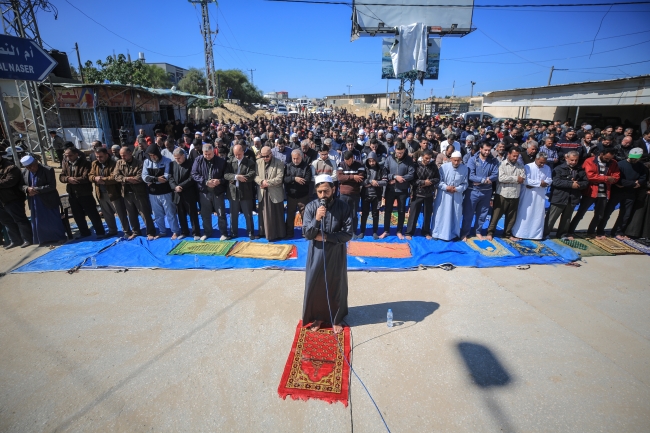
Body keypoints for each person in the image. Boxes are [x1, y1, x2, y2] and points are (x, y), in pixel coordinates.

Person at [302, 174, 353, 334]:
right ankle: (318, 317)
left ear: (333, 189)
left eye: (326, 191)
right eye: (319, 192)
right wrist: (317, 219)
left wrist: (327, 237)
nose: (323, 195)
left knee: (336, 284)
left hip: (336, 252)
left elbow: (348, 234)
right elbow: (307, 233)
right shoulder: (311, 207)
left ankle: (336, 318)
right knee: (316, 285)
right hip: (317, 253)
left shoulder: (343, 207)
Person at [567, 148, 620, 239]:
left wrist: (602, 178)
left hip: (604, 192)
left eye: (610, 159)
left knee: (599, 214)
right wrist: (606, 178)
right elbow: (590, 176)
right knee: (581, 213)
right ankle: (570, 231)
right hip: (591, 191)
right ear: (601, 154)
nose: (608, 160)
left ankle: (591, 231)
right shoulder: (590, 161)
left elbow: (616, 176)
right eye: (606, 158)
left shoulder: (613, 163)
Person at [598, 148, 647, 239]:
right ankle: (600, 230)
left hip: (630, 193)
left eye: (636, 158)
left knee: (625, 214)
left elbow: (643, 178)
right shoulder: (620, 164)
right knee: (608, 212)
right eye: (632, 157)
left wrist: (638, 183)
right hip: (617, 192)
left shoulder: (641, 166)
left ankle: (617, 231)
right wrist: (633, 183)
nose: (633, 160)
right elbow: (619, 180)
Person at [20, 155, 67, 245]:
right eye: (27, 167)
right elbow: (21, 185)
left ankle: (59, 237)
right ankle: (44, 239)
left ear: (36, 163)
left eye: (31, 166)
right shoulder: (25, 172)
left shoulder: (47, 170)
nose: (30, 169)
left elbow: (52, 186)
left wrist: (36, 189)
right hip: (34, 199)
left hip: (48, 198)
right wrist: (27, 189)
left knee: (52, 219)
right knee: (39, 220)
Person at [60, 147, 106, 239]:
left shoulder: (85, 163)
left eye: (70, 155)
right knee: (77, 215)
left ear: (76, 154)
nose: (68, 157)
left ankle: (100, 232)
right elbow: (61, 176)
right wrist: (68, 179)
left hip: (85, 193)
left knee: (92, 214)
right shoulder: (66, 164)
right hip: (72, 193)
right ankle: (84, 232)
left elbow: (86, 177)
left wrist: (74, 180)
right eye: (66, 155)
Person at [545, 150, 588, 239]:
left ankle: (562, 234)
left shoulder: (580, 170)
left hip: (572, 198)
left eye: (576, 160)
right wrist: (571, 184)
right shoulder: (558, 169)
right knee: (551, 218)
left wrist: (578, 185)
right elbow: (556, 182)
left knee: (567, 218)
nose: (574, 162)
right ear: (566, 158)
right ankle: (545, 233)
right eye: (572, 160)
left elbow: (586, 182)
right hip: (559, 197)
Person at [461, 142, 499, 240]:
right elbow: (471, 176)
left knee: (483, 213)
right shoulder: (472, 160)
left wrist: (482, 181)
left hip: (486, 192)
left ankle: (478, 231)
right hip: (473, 191)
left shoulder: (493, 161)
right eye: (485, 150)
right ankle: (465, 232)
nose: (487, 152)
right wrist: (484, 180)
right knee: (468, 213)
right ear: (480, 149)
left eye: (489, 150)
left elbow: (495, 174)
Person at [90, 147, 131, 238]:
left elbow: (115, 177)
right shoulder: (95, 164)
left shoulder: (114, 163)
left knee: (120, 214)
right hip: (100, 192)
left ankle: (127, 231)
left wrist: (103, 180)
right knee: (107, 214)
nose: (99, 159)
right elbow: (90, 175)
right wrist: (95, 178)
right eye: (97, 157)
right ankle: (112, 230)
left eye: (101, 156)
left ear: (106, 155)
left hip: (114, 193)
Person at [192, 143, 229, 240]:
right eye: (205, 154)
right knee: (205, 214)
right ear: (203, 152)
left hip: (218, 192)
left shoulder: (221, 161)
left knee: (221, 213)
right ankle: (207, 232)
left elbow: (226, 176)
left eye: (209, 154)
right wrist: (205, 182)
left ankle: (224, 233)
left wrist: (219, 181)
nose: (207, 156)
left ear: (213, 152)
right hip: (204, 192)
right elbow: (194, 174)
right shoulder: (198, 160)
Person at [487, 148, 525, 241]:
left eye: (517, 156)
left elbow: (523, 178)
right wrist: (516, 179)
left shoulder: (520, 166)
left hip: (515, 194)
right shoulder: (502, 164)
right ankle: (490, 232)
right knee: (496, 215)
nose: (515, 158)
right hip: (502, 194)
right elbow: (501, 178)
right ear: (509, 154)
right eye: (514, 155)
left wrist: (510, 179)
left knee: (511, 216)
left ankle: (507, 233)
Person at [142, 144, 180, 239]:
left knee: (170, 213)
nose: (152, 157)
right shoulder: (146, 162)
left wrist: (151, 180)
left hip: (165, 192)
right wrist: (156, 179)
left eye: (153, 155)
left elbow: (166, 177)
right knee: (157, 214)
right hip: (153, 193)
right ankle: (162, 231)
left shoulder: (167, 161)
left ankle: (175, 231)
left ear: (157, 153)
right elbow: (144, 177)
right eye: (150, 155)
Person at [511, 154, 552, 240]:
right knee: (525, 213)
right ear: (536, 159)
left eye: (544, 163)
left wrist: (535, 184)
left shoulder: (547, 168)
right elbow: (525, 180)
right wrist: (540, 183)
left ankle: (535, 235)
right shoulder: (528, 167)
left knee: (537, 214)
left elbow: (549, 180)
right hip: (528, 194)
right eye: (541, 162)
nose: (542, 165)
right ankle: (520, 233)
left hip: (540, 195)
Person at [380, 142, 414, 239]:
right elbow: (385, 172)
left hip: (402, 189)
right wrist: (394, 177)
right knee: (388, 210)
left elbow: (411, 174)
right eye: (398, 152)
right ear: (395, 150)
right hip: (390, 189)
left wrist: (401, 178)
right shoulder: (389, 159)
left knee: (401, 210)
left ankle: (399, 230)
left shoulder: (408, 160)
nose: (399, 155)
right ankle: (386, 230)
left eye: (401, 153)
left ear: (404, 151)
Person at [431, 152, 468, 241]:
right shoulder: (444, 167)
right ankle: (437, 233)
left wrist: (457, 189)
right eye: (454, 160)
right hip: (444, 195)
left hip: (456, 195)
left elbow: (465, 183)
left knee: (455, 214)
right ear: (451, 159)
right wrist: (446, 187)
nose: (456, 162)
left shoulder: (465, 169)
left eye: (458, 161)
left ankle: (453, 234)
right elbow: (438, 181)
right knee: (441, 213)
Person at [405, 149, 440, 240]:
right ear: (422, 157)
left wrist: (430, 182)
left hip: (429, 194)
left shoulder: (433, 166)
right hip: (417, 194)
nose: (428, 160)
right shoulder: (416, 166)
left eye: (430, 158)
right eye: (426, 158)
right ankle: (409, 232)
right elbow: (412, 180)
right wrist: (423, 182)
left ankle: (426, 231)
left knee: (427, 214)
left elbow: (437, 178)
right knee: (413, 214)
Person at [224, 144, 256, 239]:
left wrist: (242, 178)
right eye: (235, 154)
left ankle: (250, 232)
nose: (237, 156)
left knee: (248, 214)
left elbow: (252, 174)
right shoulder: (230, 162)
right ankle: (233, 232)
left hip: (245, 192)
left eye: (239, 154)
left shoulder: (249, 162)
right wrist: (236, 177)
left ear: (243, 152)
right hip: (233, 192)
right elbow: (226, 175)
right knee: (233, 214)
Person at [0, 154, 33, 248]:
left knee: (20, 220)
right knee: (6, 221)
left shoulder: (10, 167)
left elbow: (10, 181)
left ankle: (28, 239)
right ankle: (15, 240)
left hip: (13, 199)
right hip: (2, 200)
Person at [169, 148, 200, 240]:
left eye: (178, 158)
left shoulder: (191, 164)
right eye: (175, 158)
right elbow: (170, 177)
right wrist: (175, 187)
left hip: (188, 193)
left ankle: (196, 233)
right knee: (181, 214)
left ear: (183, 156)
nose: (177, 160)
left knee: (192, 214)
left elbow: (192, 178)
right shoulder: (172, 164)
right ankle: (184, 231)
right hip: (177, 194)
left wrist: (181, 186)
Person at [255, 146, 286, 241]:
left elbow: (279, 178)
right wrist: (261, 182)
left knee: (276, 214)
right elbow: (255, 176)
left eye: (267, 156)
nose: (265, 158)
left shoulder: (279, 162)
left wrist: (267, 183)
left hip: (274, 192)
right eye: (263, 156)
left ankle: (278, 234)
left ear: (271, 154)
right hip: (262, 192)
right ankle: (263, 232)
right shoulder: (258, 162)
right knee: (263, 214)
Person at [284, 149, 313, 239]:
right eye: (294, 158)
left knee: (305, 215)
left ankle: (305, 232)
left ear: (301, 157)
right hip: (291, 195)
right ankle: (289, 233)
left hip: (303, 196)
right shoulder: (288, 166)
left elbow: (307, 180)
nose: (295, 160)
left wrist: (292, 180)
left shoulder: (306, 167)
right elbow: (285, 179)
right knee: (290, 215)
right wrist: (294, 179)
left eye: (297, 158)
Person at [337, 150, 366, 238]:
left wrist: (347, 178)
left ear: (352, 158)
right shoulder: (341, 165)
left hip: (355, 193)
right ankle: (343, 230)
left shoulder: (359, 164)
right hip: (343, 194)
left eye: (349, 161)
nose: (347, 163)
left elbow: (360, 177)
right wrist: (353, 177)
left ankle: (353, 231)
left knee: (354, 214)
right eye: (346, 161)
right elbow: (340, 178)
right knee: (343, 213)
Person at [359, 151, 387, 239]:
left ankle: (375, 231)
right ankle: (362, 231)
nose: (371, 163)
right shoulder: (364, 169)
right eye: (370, 161)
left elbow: (385, 182)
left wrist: (377, 182)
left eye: (373, 161)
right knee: (364, 214)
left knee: (375, 214)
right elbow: (361, 181)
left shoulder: (381, 169)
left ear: (376, 160)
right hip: (366, 195)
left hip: (376, 196)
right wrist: (370, 181)